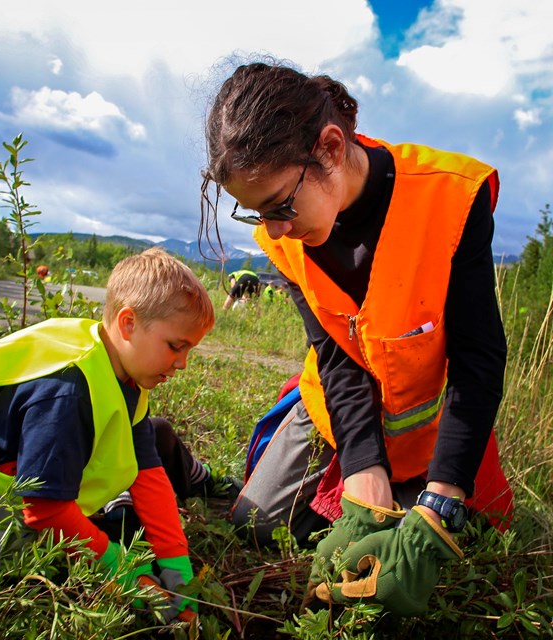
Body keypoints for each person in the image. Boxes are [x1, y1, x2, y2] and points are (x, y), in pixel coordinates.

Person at [200, 61, 513, 616]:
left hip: (428, 423)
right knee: (257, 525)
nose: (273, 231)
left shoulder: (449, 200)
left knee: (437, 561)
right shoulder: (286, 239)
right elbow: (333, 357)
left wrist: (441, 499)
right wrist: (365, 467)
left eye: (280, 205)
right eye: (256, 214)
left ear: (331, 147)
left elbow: (477, 360)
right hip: (337, 410)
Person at [0, 248, 215, 621]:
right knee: (24, 581)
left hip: (32, 491)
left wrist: (176, 565)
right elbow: (44, 512)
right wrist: (120, 570)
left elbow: (148, 472)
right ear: (128, 323)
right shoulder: (67, 392)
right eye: (175, 346)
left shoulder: (124, 366)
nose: (182, 363)